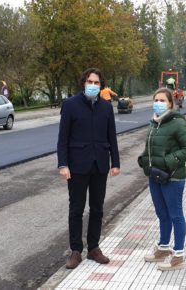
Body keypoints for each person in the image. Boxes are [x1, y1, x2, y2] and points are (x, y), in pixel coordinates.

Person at [57, 68, 120, 269]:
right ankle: (76, 251)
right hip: (77, 166)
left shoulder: (106, 107)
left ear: (101, 86)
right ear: (83, 82)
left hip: (100, 164)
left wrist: (115, 162)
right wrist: (63, 164)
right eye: (90, 81)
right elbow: (62, 138)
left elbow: (112, 136)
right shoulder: (70, 105)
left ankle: (94, 248)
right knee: (76, 209)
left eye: (97, 83)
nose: (93, 85)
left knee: (97, 208)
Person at [138, 87, 186, 271]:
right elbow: (150, 148)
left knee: (175, 215)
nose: (158, 103)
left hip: (172, 177)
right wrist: (144, 160)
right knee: (162, 214)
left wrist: (167, 162)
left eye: (162, 100)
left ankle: (178, 256)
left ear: (170, 103)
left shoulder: (177, 123)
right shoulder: (154, 123)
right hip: (155, 176)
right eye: (156, 100)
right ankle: (163, 248)